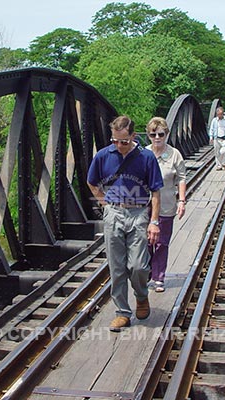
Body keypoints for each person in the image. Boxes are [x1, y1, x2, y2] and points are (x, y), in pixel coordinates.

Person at [87, 115, 163, 331]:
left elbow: (156, 191)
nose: (119, 146)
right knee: (117, 267)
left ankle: (141, 296)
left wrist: (154, 221)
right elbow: (91, 182)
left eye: (124, 141)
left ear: (133, 136)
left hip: (138, 213)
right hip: (114, 214)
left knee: (138, 266)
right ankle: (122, 312)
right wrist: (105, 204)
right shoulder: (103, 156)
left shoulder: (146, 157)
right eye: (115, 141)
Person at [145, 117, 187, 293]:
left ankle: (158, 277)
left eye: (160, 134)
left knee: (162, 242)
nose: (157, 137)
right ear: (148, 135)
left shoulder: (174, 154)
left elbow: (181, 178)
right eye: (153, 134)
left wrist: (182, 201)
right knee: (145, 242)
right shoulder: (143, 153)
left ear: (166, 134)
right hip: (144, 206)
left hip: (166, 204)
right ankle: (147, 273)